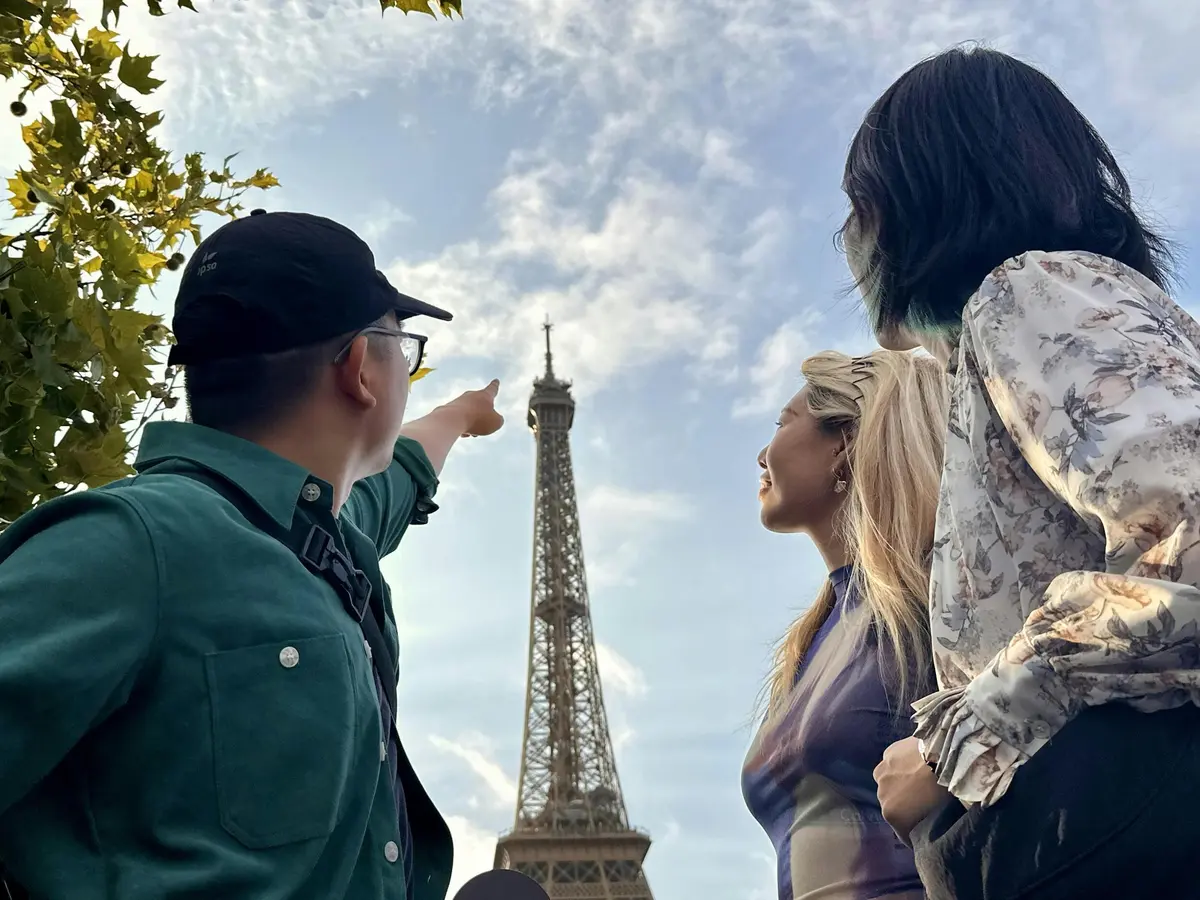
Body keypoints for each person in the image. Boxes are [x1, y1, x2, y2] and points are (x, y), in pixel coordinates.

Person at [0, 210, 503, 900]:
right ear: (360, 368)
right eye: (403, 346)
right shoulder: (136, 542)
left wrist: (464, 414)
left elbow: (401, 474)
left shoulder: (325, 541)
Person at [844, 47, 1200, 899]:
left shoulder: (1025, 292)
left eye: (860, 204)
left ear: (919, 193)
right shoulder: (1073, 305)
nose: (850, 238)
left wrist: (964, 736)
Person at [742, 349, 948, 900]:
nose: (763, 452)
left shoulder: (941, 592)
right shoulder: (811, 640)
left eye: (784, 423)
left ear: (845, 441)